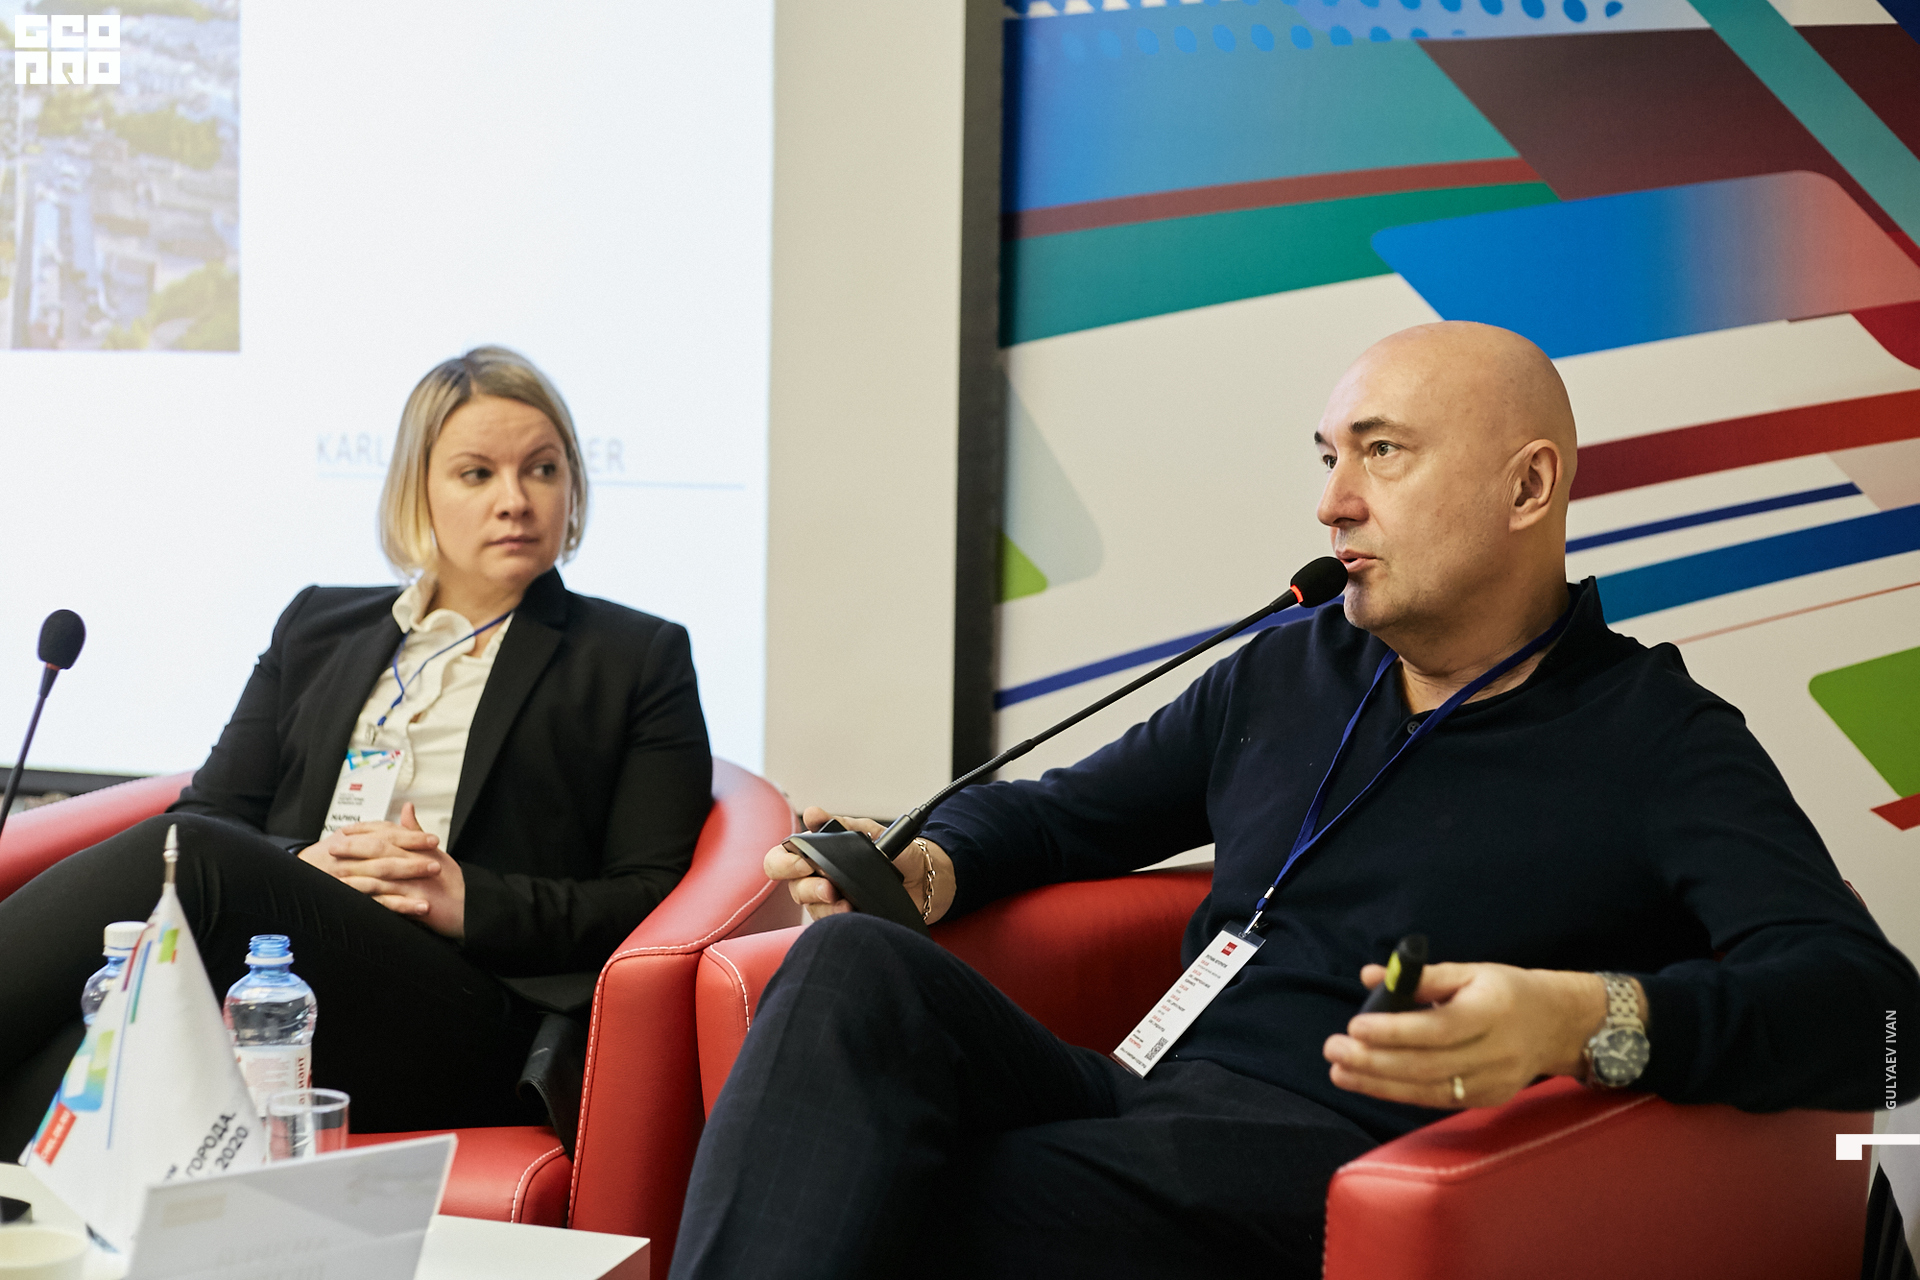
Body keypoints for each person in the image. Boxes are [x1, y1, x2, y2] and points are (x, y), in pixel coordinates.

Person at [668, 322, 1920, 1280]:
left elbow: (1884, 1025)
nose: (1333, 500)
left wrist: (1583, 1018)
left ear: (1528, 487)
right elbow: (1062, 813)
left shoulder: (1655, 735)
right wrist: (928, 863)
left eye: (1383, 451)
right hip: (1151, 1095)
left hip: (1353, 1164)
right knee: (850, 965)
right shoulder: (1291, 667)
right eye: (1330, 456)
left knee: (895, 1192)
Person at [0, 347, 712, 1151]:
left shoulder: (634, 656)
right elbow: (218, 807)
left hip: (466, 1005)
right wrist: (301, 865)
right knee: (80, 1045)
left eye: (542, 470)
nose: (515, 500)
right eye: (477, 474)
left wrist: (466, 899)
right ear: (417, 489)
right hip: (277, 971)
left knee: (186, 853)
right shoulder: (318, 625)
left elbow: (650, 893)